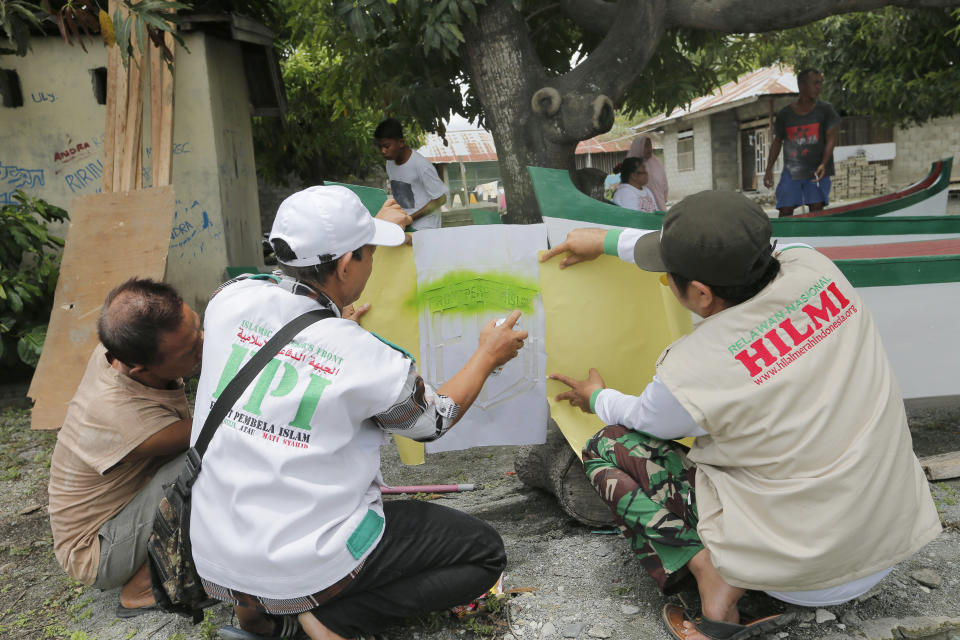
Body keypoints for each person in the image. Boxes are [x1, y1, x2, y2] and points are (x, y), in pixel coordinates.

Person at [540, 191, 941, 640]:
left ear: (701, 294)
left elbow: (644, 419)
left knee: (607, 446)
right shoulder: (817, 268)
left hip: (799, 576)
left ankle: (713, 575)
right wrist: (612, 241)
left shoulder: (695, 368)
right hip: (883, 543)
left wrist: (597, 396)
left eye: (667, 273)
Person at [189, 185, 526, 640]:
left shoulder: (230, 299)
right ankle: (325, 620)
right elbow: (433, 420)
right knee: (483, 554)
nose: (372, 263)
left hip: (215, 551)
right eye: (369, 253)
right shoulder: (365, 357)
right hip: (302, 561)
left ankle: (257, 618)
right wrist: (487, 355)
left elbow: (289, 335)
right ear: (348, 264)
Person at [47, 278, 202, 618]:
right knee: (203, 460)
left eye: (198, 330)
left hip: (121, 511)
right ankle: (142, 587)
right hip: (96, 551)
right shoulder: (122, 416)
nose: (204, 345)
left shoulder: (120, 347)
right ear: (141, 368)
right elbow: (218, 425)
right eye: (190, 350)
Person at [763, 69, 840, 217]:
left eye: (820, 83)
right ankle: (784, 239)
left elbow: (831, 139)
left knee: (816, 210)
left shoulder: (826, 110)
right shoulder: (786, 114)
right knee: (785, 210)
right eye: (815, 83)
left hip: (817, 171)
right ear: (802, 86)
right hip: (792, 172)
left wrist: (824, 163)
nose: (819, 87)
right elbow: (777, 142)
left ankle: (816, 240)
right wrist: (768, 169)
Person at [374, 118, 448, 230]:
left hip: (426, 227)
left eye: (387, 146)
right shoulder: (389, 163)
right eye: (380, 147)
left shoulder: (421, 165)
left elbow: (441, 199)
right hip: (404, 226)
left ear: (401, 143)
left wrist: (410, 218)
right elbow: (402, 196)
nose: (383, 151)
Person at [627, 134, 668, 210]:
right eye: (646, 146)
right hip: (640, 210)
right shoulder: (629, 166)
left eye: (650, 146)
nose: (649, 149)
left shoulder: (657, 163)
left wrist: (663, 199)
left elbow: (664, 184)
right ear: (638, 147)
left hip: (660, 206)